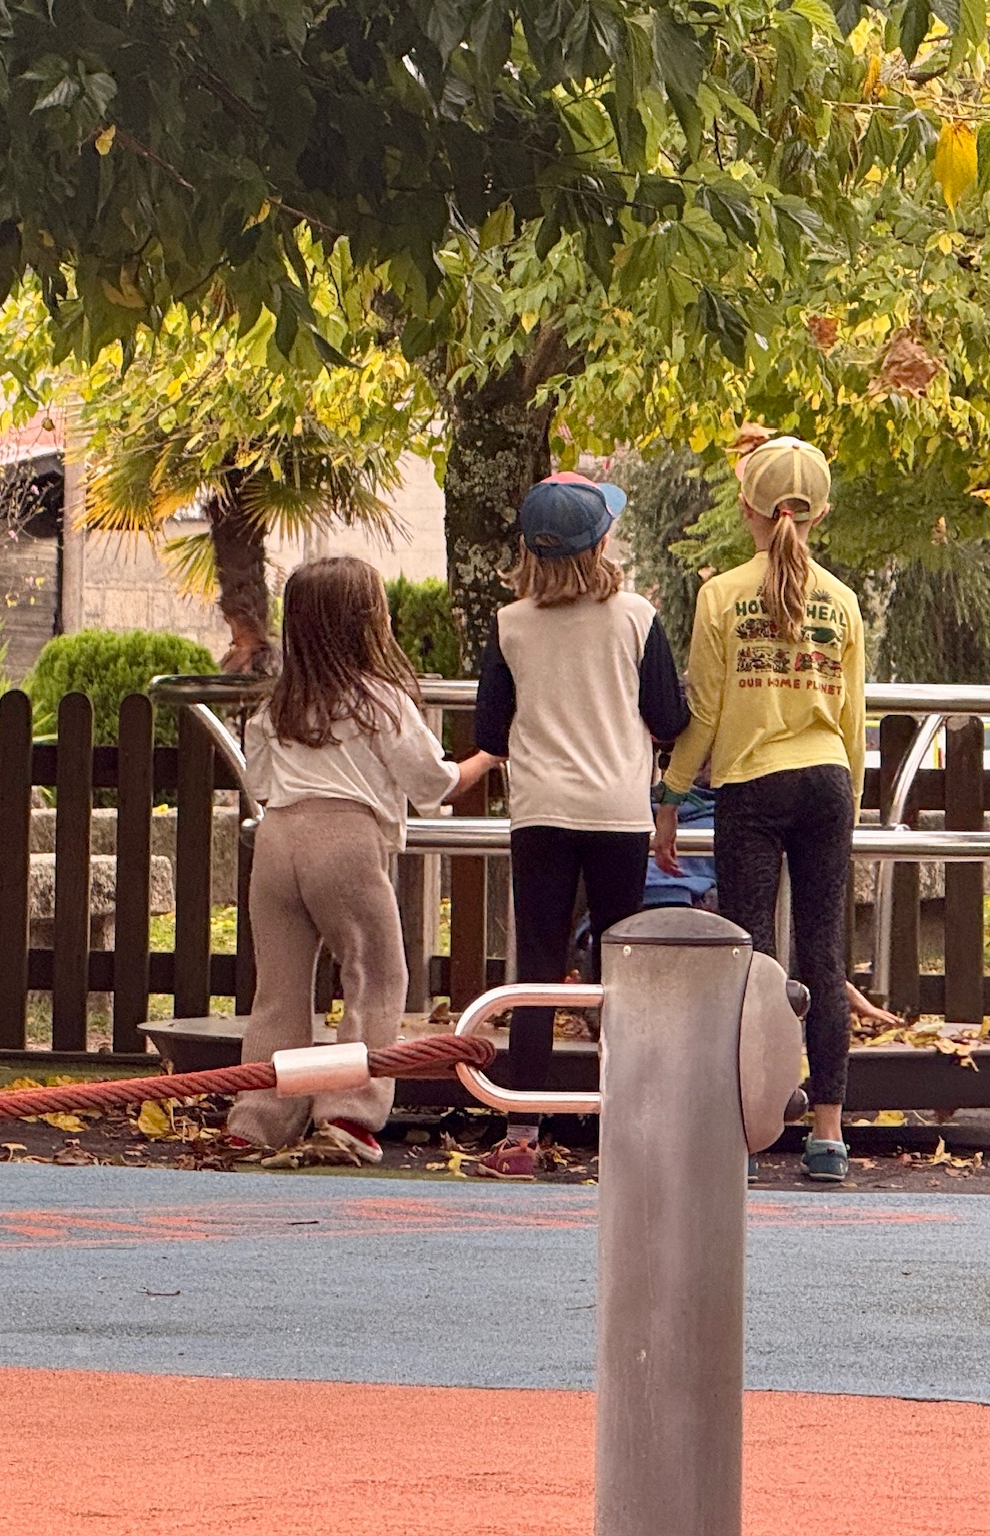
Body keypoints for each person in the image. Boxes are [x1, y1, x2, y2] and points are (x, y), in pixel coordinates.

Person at [655, 432, 894, 1185]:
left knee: (752, 958)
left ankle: (750, 1128)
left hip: (751, 787)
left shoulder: (722, 595)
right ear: (820, 514)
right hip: (827, 780)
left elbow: (704, 713)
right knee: (823, 955)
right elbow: (853, 718)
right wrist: (851, 796)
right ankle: (828, 1134)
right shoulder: (843, 602)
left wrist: (671, 796)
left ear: (745, 508)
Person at [227, 556, 494, 1164]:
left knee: (279, 991)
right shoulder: (382, 702)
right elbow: (435, 784)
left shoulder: (276, 706)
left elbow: (260, 784)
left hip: (277, 839)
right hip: (344, 839)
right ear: (369, 622)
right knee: (375, 976)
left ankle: (258, 1119)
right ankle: (348, 1113)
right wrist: (487, 758)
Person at [469, 472, 691, 1181]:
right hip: (618, 812)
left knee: (537, 968)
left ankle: (522, 1131)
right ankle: (629, 1123)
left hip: (540, 811)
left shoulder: (510, 625)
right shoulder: (636, 618)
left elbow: (489, 732)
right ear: (600, 543)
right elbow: (668, 717)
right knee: (620, 968)